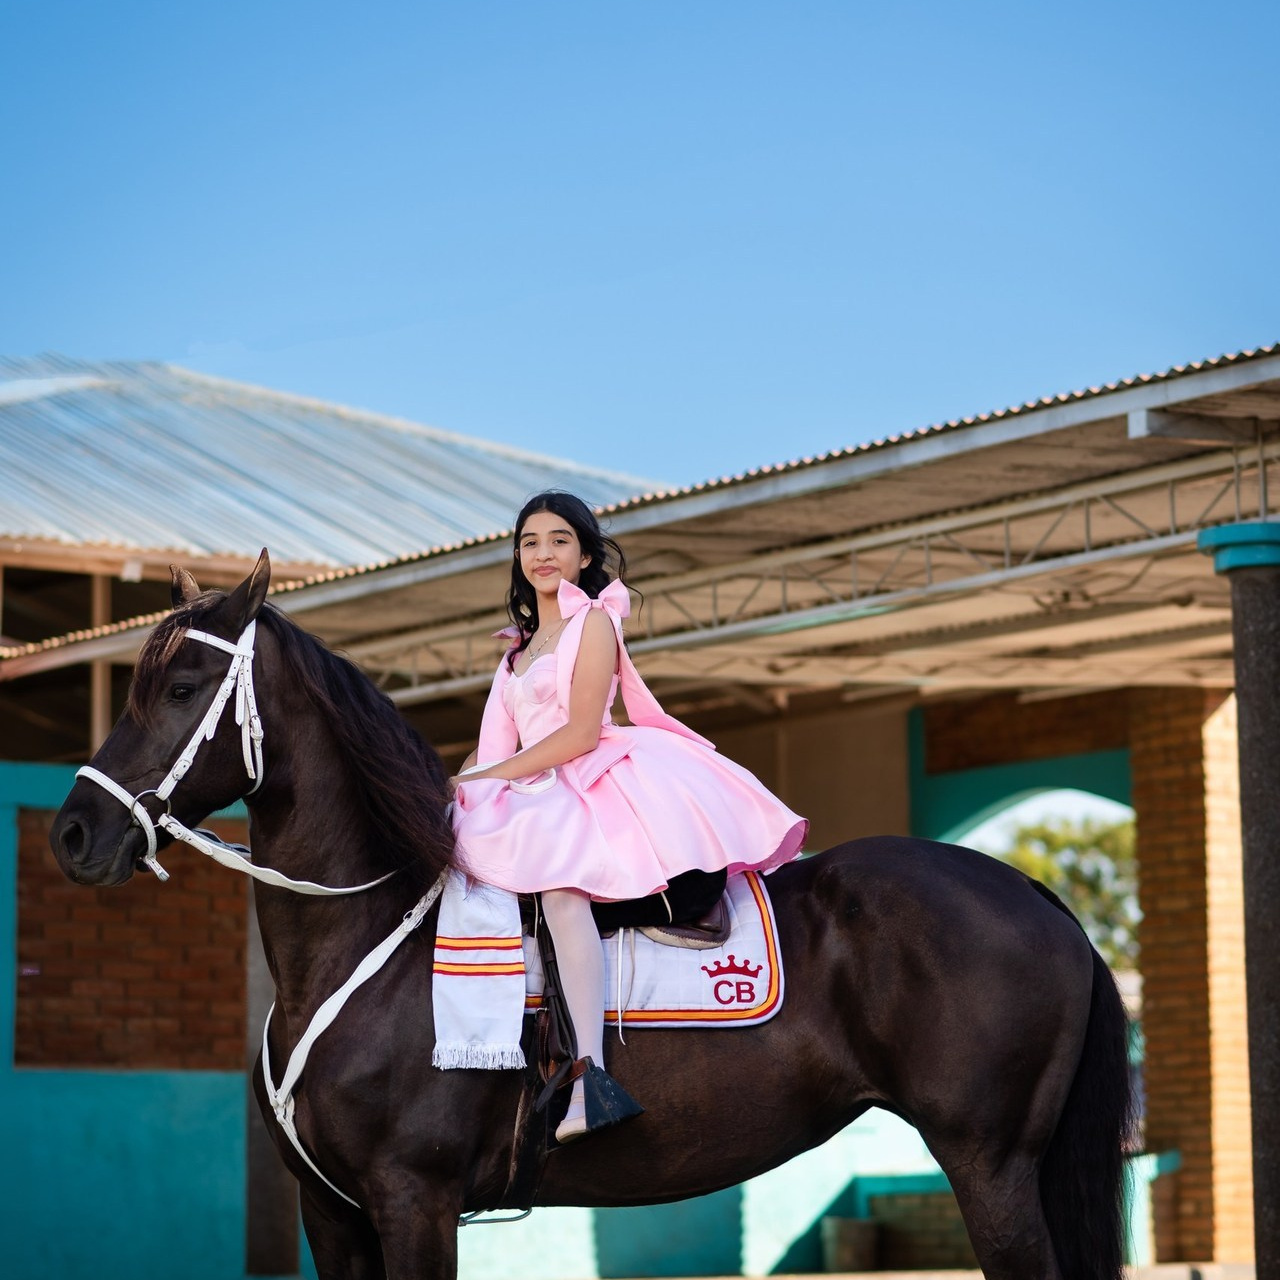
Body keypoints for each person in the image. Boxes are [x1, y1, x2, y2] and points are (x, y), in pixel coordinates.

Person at [451, 492, 808, 1144]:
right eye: (530, 542)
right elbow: (493, 747)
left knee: (562, 893)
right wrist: (454, 784)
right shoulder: (517, 651)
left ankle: (590, 1078)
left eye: (559, 541)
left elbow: (581, 732)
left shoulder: (593, 624)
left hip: (584, 776)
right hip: (527, 782)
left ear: (584, 555)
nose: (542, 554)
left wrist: (491, 776)